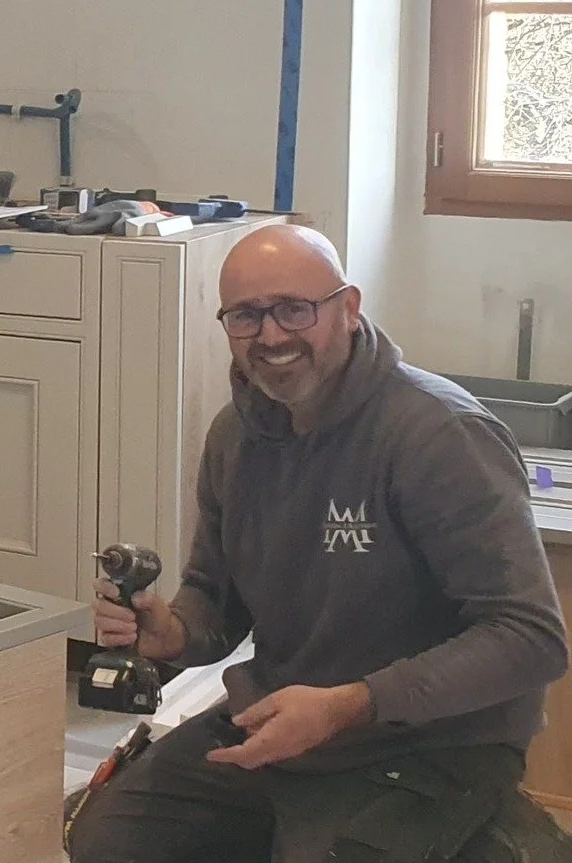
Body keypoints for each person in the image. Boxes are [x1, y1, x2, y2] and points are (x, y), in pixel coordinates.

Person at [68, 225, 570, 863]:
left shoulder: (438, 435)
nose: (272, 336)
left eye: (293, 309)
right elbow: (214, 598)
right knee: (105, 838)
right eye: (247, 316)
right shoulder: (235, 435)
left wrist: (351, 705)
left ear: (349, 307)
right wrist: (170, 632)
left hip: (429, 744)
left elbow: (532, 638)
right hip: (282, 723)